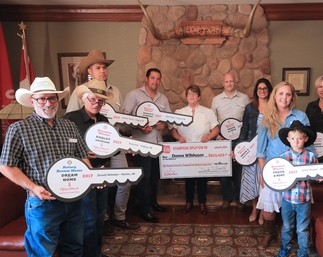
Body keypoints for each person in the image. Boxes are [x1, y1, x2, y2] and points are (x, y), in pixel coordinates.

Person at [0, 77, 90, 257]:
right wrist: (32, 187)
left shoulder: (69, 126)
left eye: (52, 98)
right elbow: (6, 166)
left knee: (74, 250)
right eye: (42, 99)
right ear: (32, 100)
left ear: (57, 100)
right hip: (42, 205)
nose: (48, 103)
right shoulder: (19, 129)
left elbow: (82, 158)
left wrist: (91, 177)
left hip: (74, 201)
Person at [66, 50, 139, 232]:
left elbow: (119, 121)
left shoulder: (115, 91)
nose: (103, 71)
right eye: (98, 67)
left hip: (114, 144)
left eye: (105, 67)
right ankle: (103, 221)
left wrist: (126, 137)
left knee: (125, 180)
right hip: (90, 150)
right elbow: (72, 122)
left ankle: (119, 216)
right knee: (99, 183)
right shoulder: (80, 92)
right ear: (89, 71)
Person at [63, 79, 114, 257]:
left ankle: (96, 254)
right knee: (88, 220)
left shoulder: (104, 120)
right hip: (82, 178)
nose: (97, 104)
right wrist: (85, 154)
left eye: (100, 101)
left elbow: (112, 147)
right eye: (93, 99)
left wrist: (105, 155)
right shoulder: (70, 119)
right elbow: (64, 150)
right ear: (84, 98)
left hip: (102, 175)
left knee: (100, 216)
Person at [256, 81, 313, 249]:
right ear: (275, 96)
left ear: (292, 97)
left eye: (288, 94)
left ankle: (284, 232)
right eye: (280, 94)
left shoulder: (300, 117)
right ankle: (269, 233)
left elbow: (309, 145)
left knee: (292, 205)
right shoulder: (266, 117)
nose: (284, 97)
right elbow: (261, 150)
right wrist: (262, 172)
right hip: (272, 169)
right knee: (269, 206)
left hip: (296, 168)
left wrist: (310, 168)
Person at [123, 68, 170, 223]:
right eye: (152, 78)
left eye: (158, 79)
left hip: (158, 144)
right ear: (146, 78)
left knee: (155, 177)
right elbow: (124, 118)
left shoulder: (163, 98)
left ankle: (152, 203)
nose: (155, 81)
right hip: (142, 145)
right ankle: (144, 210)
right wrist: (139, 126)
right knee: (145, 178)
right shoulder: (133, 95)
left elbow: (167, 117)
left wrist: (164, 123)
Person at [272, 120, 318, 257]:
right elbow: (277, 175)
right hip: (287, 199)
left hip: (304, 200)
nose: (296, 141)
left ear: (305, 139)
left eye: (300, 138)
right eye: (293, 138)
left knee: (302, 229)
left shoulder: (311, 157)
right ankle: (285, 250)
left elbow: (317, 174)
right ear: (288, 139)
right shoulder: (283, 157)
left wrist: (321, 176)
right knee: (287, 227)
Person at [170, 85, 219, 215]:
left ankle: (202, 203)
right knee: (189, 177)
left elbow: (216, 129)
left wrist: (208, 136)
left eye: (194, 94)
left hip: (203, 150)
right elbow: (173, 130)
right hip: (186, 151)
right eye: (189, 94)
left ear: (199, 97)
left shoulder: (208, 112)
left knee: (202, 177)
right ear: (186, 97)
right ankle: (189, 202)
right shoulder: (179, 112)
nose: (192, 96)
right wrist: (178, 137)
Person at [211, 73, 250, 210]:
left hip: (240, 139)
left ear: (235, 82)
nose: (229, 84)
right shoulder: (216, 100)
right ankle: (227, 198)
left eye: (231, 81)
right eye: (226, 81)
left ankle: (240, 198)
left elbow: (248, 119)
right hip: (223, 140)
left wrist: (245, 138)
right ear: (223, 83)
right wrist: (216, 137)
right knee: (224, 170)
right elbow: (213, 121)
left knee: (240, 170)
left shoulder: (244, 98)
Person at [237, 78, 272, 225]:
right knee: (252, 181)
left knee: (264, 182)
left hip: (268, 150)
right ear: (256, 91)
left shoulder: (274, 107)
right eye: (259, 89)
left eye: (265, 88)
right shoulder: (250, 108)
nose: (262, 91)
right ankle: (254, 209)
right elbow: (244, 128)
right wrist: (239, 148)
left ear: (269, 90)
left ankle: (263, 212)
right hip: (251, 151)